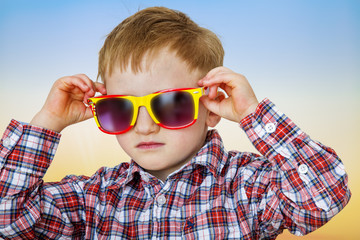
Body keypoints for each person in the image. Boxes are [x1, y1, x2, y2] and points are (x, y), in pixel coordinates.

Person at [0, 6, 350, 239]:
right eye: (121, 108)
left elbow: (321, 200)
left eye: (170, 105)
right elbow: (7, 216)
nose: (145, 126)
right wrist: (46, 124)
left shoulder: (248, 187)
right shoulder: (95, 197)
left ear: (211, 107)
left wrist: (252, 114)